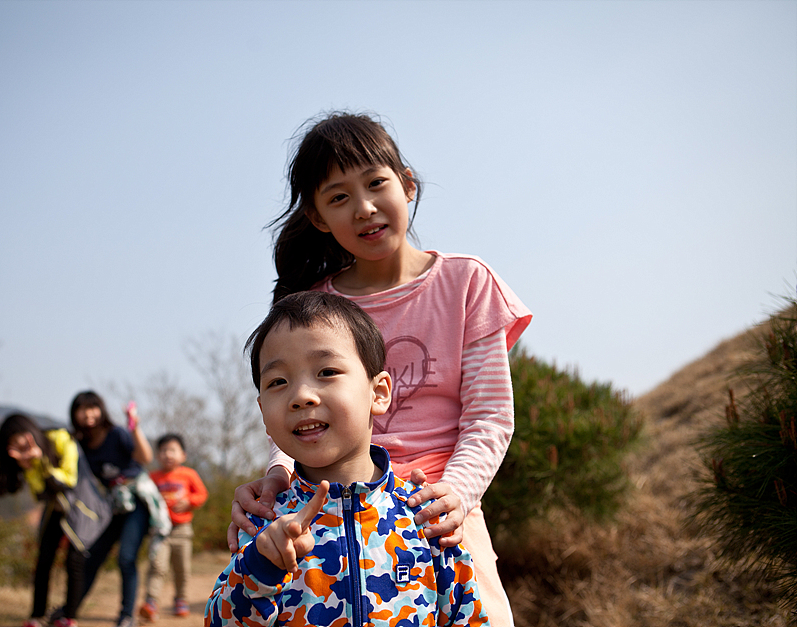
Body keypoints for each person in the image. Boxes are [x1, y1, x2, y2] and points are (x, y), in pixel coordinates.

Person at [230, 111, 532, 627]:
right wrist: (278, 477)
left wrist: (456, 496)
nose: (364, 208)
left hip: (437, 509)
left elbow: (489, 416)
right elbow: (296, 408)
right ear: (318, 217)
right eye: (338, 197)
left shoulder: (467, 283)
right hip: (328, 502)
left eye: (375, 183)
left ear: (407, 184)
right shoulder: (313, 307)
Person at [207, 291, 490, 627]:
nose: (301, 396)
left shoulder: (425, 517)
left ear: (379, 393)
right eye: (278, 381)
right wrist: (260, 568)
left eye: (326, 371)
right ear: (263, 412)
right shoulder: (263, 522)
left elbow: (466, 617)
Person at [0, 413, 112, 627]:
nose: (18, 444)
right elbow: (40, 494)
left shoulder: (61, 439)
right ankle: (37, 616)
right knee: (43, 561)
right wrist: (29, 465)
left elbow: (68, 480)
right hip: (56, 509)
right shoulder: (29, 458)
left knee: (74, 561)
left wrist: (41, 460)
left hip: (83, 509)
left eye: (18, 436)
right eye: (11, 443)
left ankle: (69, 617)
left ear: (29, 429)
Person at [70, 391, 162, 627]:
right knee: (92, 556)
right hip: (112, 505)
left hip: (137, 501)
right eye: (82, 409)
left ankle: (126, 615)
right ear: (75, 414)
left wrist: (135, 428)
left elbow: (145, 457)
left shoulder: (117, 433)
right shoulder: (80, 444)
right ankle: (69, 610)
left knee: (126, 557)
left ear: (101, 409)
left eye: (92, 407)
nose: (88, 414)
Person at [139, 433, 208, 622]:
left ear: (183, 455)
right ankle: (151, 603)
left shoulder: (189, 475)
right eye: (163, 451)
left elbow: (202, 494)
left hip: (182, 530)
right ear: (157, 455)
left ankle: (181, 600)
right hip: (160, 531)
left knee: (182, 569)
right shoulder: (152, 477)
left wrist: (189, 501)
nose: (168, 454)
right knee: (157, 566)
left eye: (172, 450)